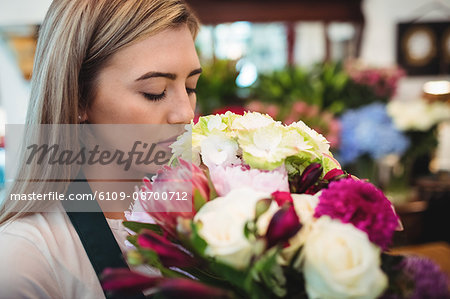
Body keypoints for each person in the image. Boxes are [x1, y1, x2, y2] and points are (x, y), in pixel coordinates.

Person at [0, 0, 201, 298]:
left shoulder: (207, 214)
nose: (185, 113)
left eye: (191, 87)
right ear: (79, 98)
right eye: (155, 92)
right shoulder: (26, 259)